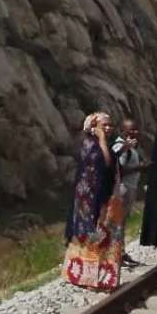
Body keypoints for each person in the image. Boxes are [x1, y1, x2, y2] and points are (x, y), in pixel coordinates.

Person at [63, 112, 123, 290]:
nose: (108, 128)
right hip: (89, 203)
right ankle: (87, 278)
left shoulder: (102, 146)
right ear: (93, 127)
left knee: (102, 239)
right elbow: (105, 166)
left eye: (110, 125)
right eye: (104, 125)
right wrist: (103, 141)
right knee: (92, 239)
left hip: (101, 201)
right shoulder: (90, 145)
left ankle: (97, 278)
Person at [113, 119, 148, 268]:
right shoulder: (121, 146)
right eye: (131, 130)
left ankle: (121, 252)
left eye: (136, 129)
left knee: (122, 222)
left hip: (130, 187)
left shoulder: (130, 147)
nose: (134, 132)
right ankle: (117, 254)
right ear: (122, 131)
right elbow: (119, 169)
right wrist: (139, 168)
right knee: (118, 223)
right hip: (123, 188)